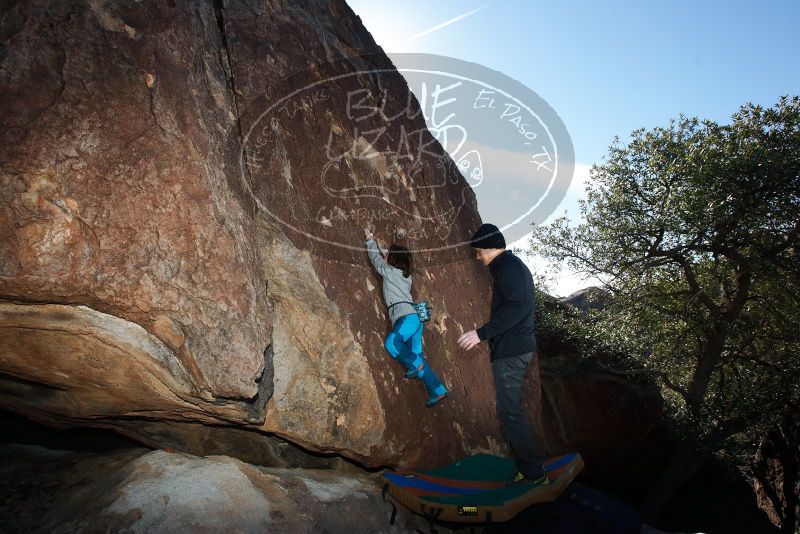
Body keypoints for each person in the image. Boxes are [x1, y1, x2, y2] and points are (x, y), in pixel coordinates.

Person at [457, 223, 549, 486]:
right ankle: (531, 468)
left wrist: (481, 334)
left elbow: (517, 307)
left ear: (489, 248)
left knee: (510, 412)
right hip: (515, 347)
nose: (478, 258)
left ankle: (534, 474)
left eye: (479, 252)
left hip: (512, 350)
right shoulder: (510, 266)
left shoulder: (507, 267)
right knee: (511, 411)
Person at [364, 228, 448, 407]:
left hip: (406, 318)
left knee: (392, 343)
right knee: (417, 358)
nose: (385, 256)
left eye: (388, 256)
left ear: (392, 261)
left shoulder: (390, 271)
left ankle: (413, 364)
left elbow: (377, 262)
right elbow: (388, 258)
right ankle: (437, 389)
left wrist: (370, 240)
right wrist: (388, 252)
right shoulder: (404, 275)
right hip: (415, 321)